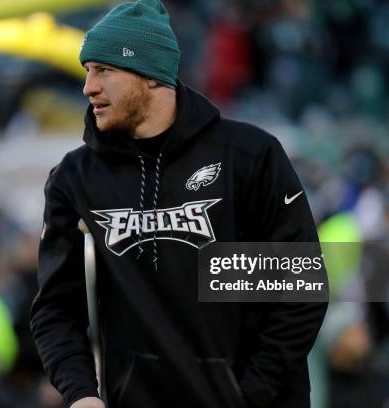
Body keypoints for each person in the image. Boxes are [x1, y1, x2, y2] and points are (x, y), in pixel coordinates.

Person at [29, 1, 328, 407]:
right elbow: (55, 310)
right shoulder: (75, 179)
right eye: (87, 72)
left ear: (150, 75)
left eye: (104, 70)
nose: (88, 87)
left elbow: (298, 289)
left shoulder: (248, 156)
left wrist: (251, 393)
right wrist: (81, 393)